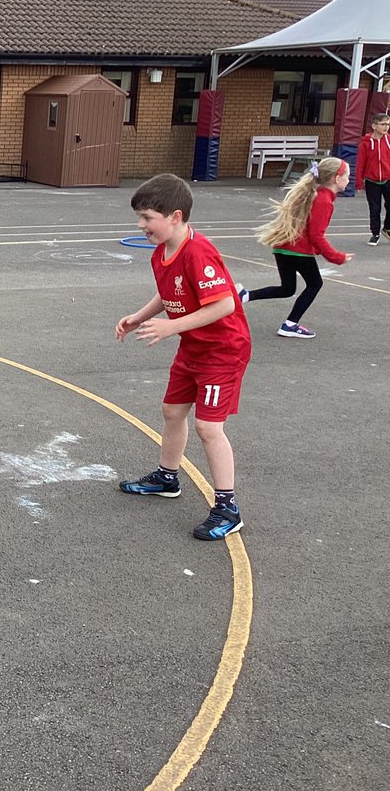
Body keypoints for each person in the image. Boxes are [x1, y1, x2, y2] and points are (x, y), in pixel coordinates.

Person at [115, 174, 251, 541]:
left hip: (222, 351)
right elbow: (168, 293)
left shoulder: (198, 251)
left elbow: (224, 304)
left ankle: (227, 507)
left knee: (209, 428)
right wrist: (139, 317)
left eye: (147, 218)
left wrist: (170, 328)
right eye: (140, 219)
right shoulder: (162, 253)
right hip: (193, 346)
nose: (141, 226)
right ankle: (167, 477)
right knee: (172, 411)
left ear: (175, 216)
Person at [234, 157, 353, 340]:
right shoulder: (324, 201)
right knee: (315, 284)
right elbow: (316, 236)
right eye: (347, 176)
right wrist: (337, 257)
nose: (349, 180)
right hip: (297, 250)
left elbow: (310, 232)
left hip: (283, 247)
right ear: (336, 179)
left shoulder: (314, 194)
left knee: (288, 288)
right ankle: (290, 324)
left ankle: (244, 295)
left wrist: (321, 251)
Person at [355, 113, 390, 246]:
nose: (386, 127)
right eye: (383, 124)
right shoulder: (365, 143)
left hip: (388, 178)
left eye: (388, 124)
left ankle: (387, 228)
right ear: (374, 126)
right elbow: (360, 164)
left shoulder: (389, 140)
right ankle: (375, 233)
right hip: (372, 181)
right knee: (375, 208)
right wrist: (359, 182)